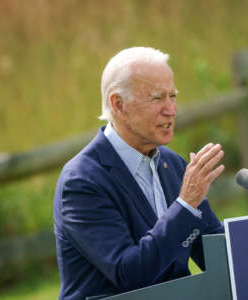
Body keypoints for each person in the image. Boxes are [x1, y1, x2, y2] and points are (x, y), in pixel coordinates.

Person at [53, 47, 225, 300]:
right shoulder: (81, 182)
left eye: (173, 96)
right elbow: (131, 275)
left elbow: (215, 254)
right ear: (118, 105)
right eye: (157, 98)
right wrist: (185, 206)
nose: (170, 109)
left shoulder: (174, 165)